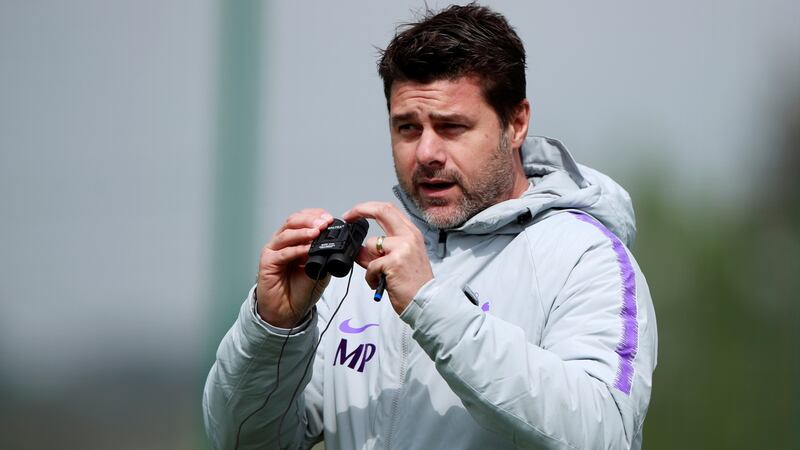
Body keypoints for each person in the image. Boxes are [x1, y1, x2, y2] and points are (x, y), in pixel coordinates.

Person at [203, 4, 657, 450]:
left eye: (451, 126)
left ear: (516, 123)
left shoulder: (585, 257)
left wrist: (432, 306)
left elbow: (603, 433)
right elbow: (243, 441)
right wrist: (273, 330)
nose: (426, 153)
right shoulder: (352, 275)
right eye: (407, 128)